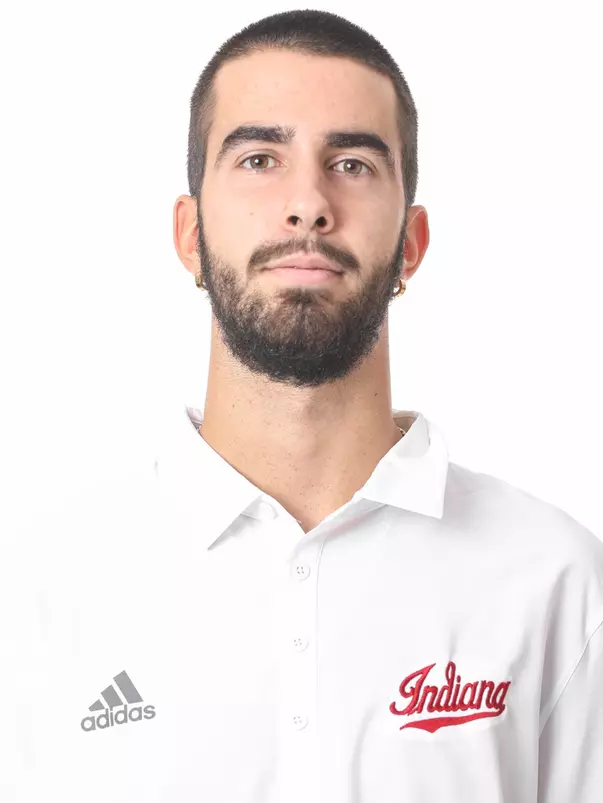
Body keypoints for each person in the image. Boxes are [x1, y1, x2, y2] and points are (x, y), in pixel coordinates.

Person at [2, 9, 602, 803]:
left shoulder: (554, 577)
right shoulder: (40, 591)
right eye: (259, 159)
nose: (308, 204)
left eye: (351, 163)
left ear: (410, 243)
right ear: (189, 234)